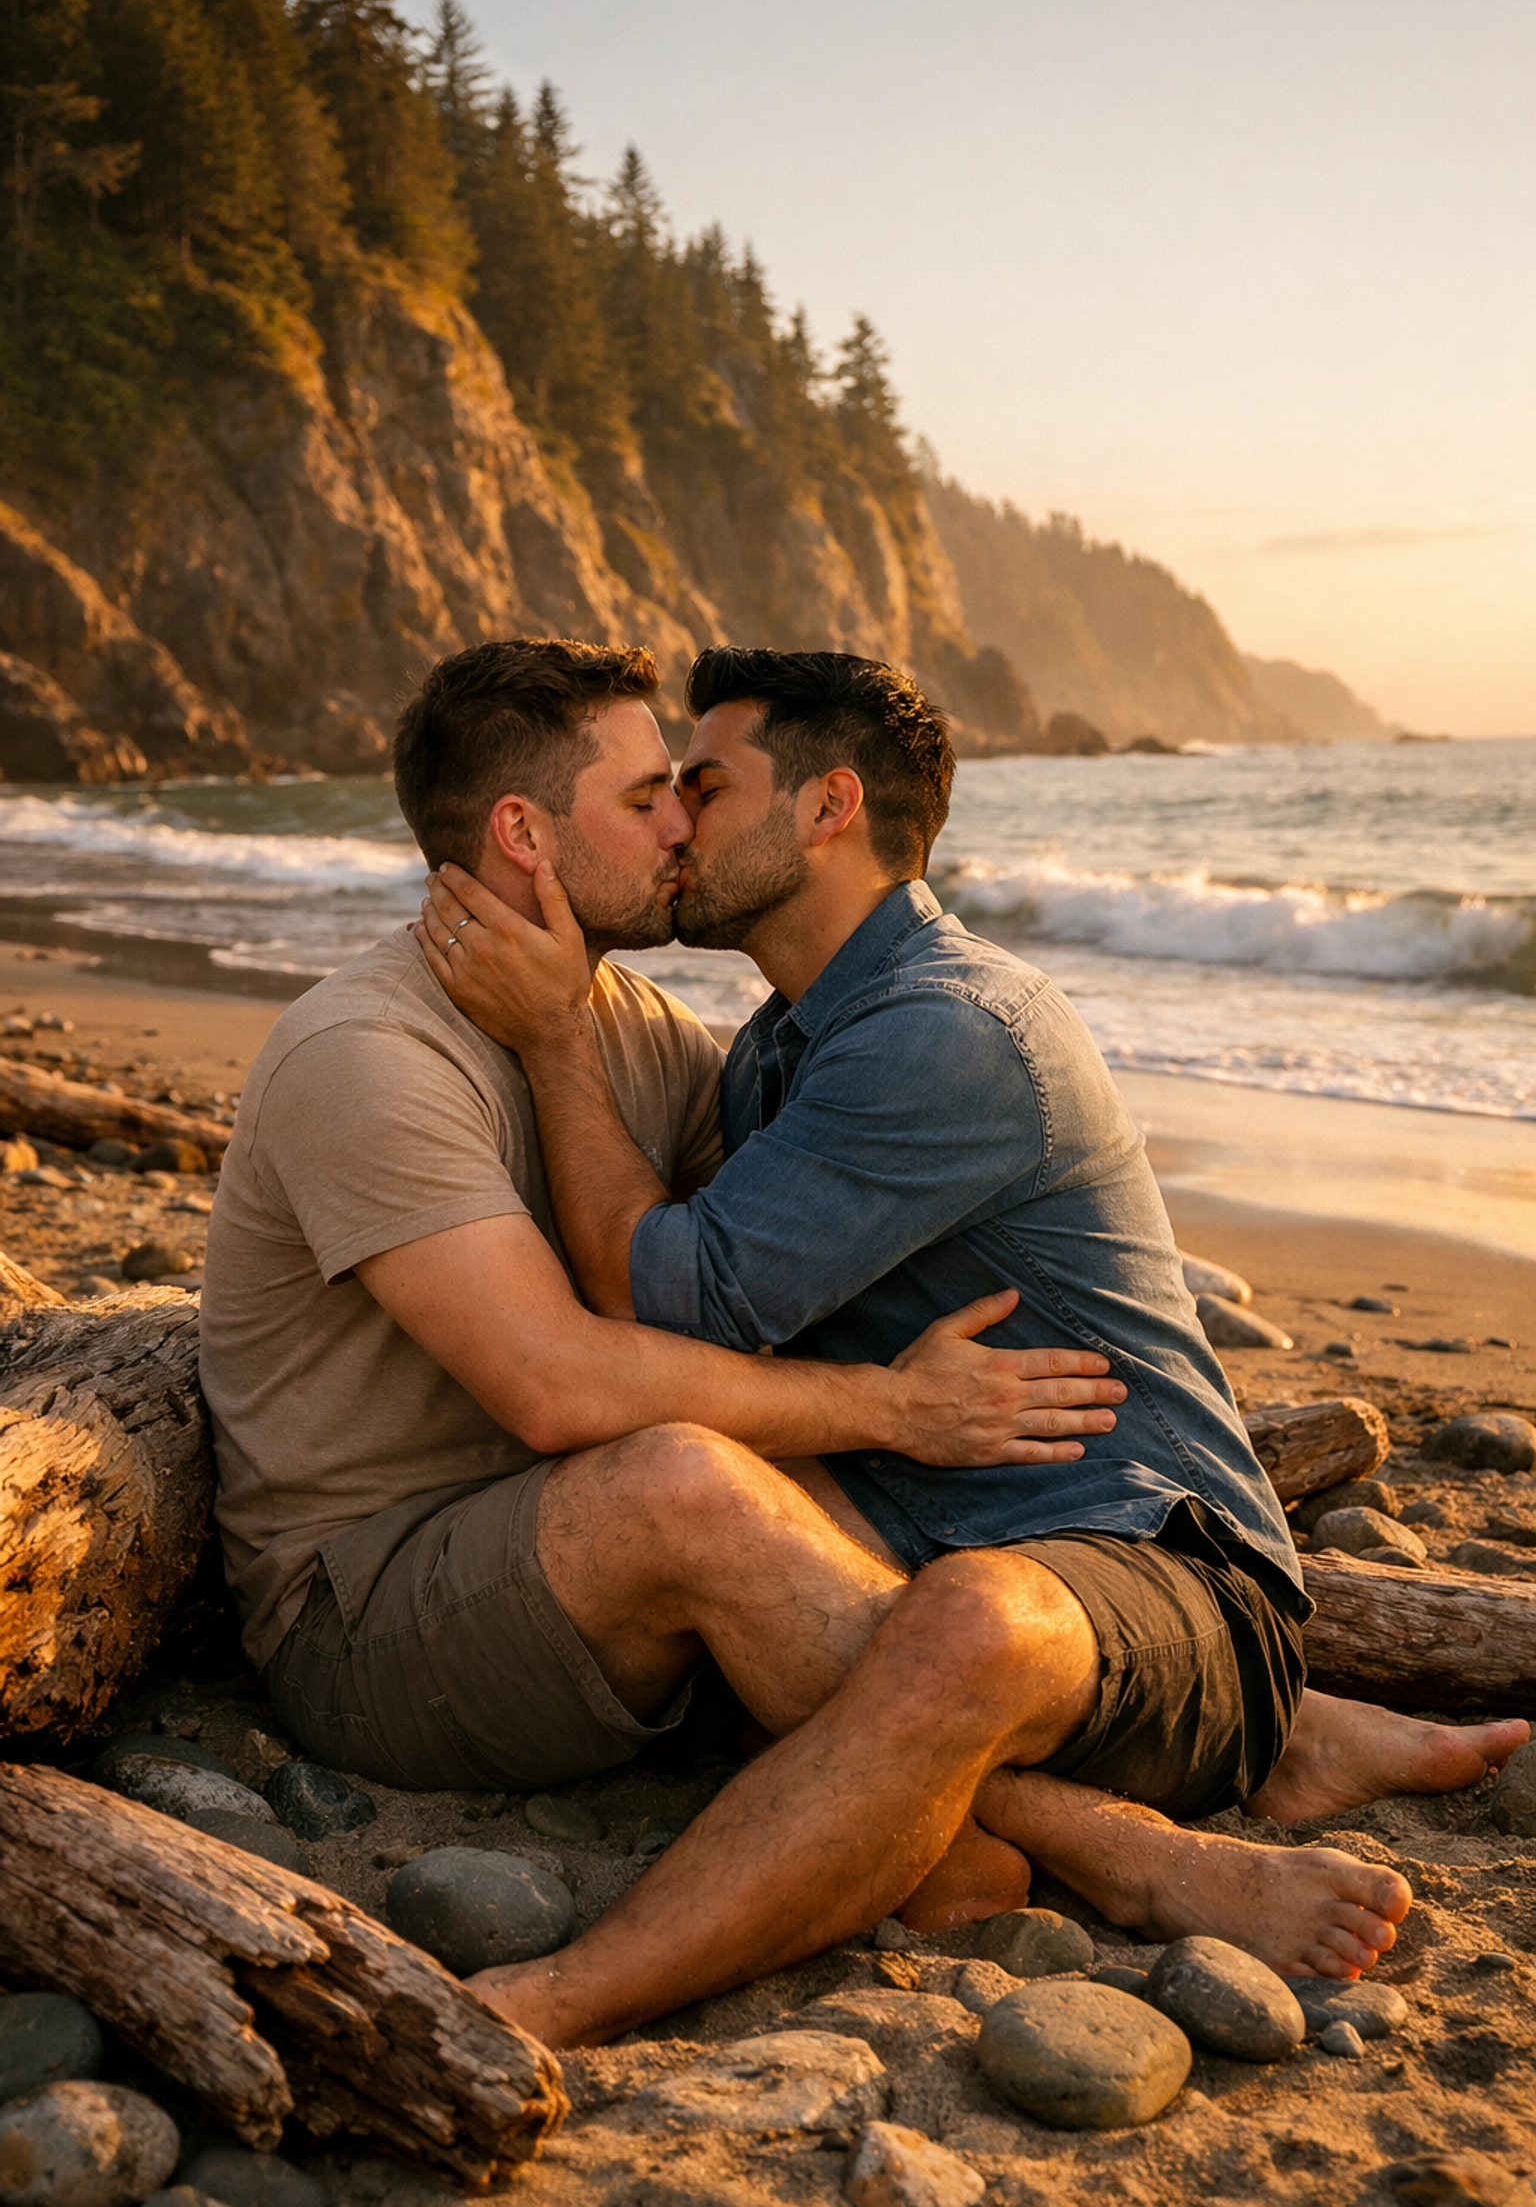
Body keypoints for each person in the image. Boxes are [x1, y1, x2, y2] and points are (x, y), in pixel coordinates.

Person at [411, 644, 1525, 2044]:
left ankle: (551, 2001)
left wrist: (561, 1038)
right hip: (935, 1545)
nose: (677, 821)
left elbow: (665, 1296)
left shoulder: (944, 1032)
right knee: (705, 1477)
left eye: (705, 783)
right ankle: (1170, 1822)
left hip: (1147, 1560)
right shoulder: (785, 1043)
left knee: (970, 1622)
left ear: (826, 808)